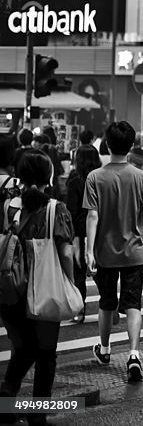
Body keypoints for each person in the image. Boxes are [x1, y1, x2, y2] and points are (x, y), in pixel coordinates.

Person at [0, 151, 74, 424]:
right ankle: (36, 414)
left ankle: (6, 402)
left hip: (11, 286)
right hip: (43, 289)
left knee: (22, 348)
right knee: (45, 354)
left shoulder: (10, 206)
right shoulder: (56, 209)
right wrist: (69, 282)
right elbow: (66, 253)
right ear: (49, 176)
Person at [84, 121, 143, 382]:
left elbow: (92, 216)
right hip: (133, 253)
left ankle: (104, 350)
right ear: (131, 146)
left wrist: (89, 250)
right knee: (133, 304)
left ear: (107, 144)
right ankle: (134, 355)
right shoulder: (140, 176)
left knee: (106, 302)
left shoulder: (95, 177)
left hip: (105, 253)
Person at [64, 145, 102, 324]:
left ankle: (80, 310)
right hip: (101, 230)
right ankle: (110, 306)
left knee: (78, 273)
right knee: (102, 271)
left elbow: (71, 209)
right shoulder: (102, 179)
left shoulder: (74, 181)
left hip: (80, 232)